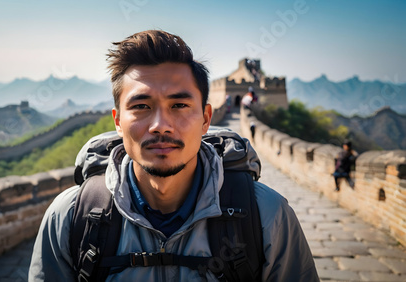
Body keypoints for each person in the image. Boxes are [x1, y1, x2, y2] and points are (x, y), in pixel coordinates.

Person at [29, 30, 319, 281]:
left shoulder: (267, 216)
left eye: (179, 105)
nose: (160, 125)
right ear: (117, 121)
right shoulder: (69, 217)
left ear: (206, 118)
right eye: (141, 106)